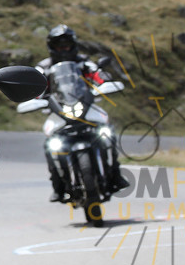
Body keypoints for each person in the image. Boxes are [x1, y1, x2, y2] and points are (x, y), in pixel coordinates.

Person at [35, 24, 129, 202]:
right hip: (59, 111)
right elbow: (34, 87)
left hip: (85, 106)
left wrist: (104, 82)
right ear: (52, 47)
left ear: (73, 45)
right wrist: (34, 98)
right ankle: (58, 186)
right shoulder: (42, 68)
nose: (63, 49)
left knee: (107, 131)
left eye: (66, 45)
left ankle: (115, 174)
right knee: (50, 144)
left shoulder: (84, 63)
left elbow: (99, 76)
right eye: (59, 46)